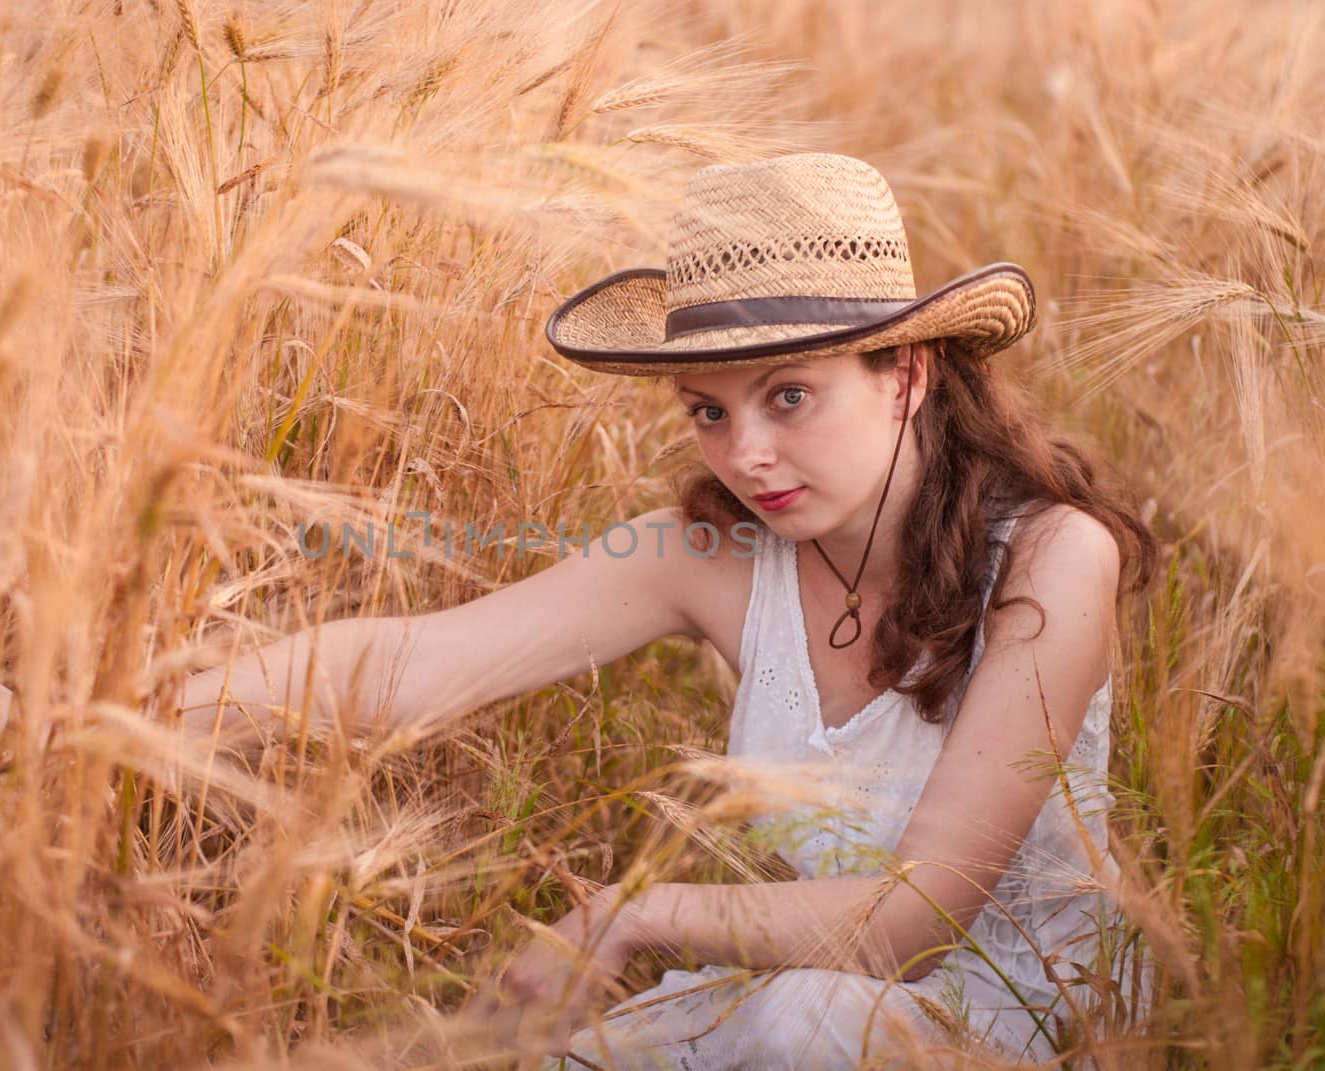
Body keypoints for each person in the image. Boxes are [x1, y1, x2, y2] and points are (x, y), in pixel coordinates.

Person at [175, 153, 1157, 1067]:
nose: (745, 456)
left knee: (799, 1025)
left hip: (1030, 1015)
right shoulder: (709, 551)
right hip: (809, 998)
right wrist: (124, 718)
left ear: (903, 376)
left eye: (787, 396)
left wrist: (631, 915)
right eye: (709, 411)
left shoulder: (1053, 558)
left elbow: (914, 924)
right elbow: (403, 663)